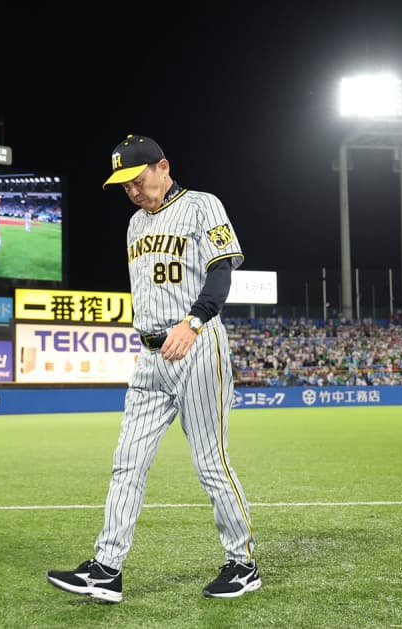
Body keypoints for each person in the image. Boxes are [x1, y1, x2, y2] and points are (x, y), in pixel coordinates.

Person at [46, 134, 259, 603]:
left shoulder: (202, 204)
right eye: (124, 186)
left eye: (137, 180)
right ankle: (106, 568)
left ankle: (242, 563)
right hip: (150, 356)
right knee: (128, 461)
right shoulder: (134, 225)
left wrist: (196, 320)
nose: (133, 191)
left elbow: (223, 269)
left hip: (198, 343)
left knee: (210, 461)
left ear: (163, 167)